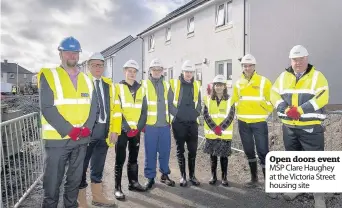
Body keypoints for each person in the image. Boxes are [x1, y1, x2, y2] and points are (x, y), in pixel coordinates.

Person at [38, 36, 98, 208]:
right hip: (57, 140)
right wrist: (69, 130)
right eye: (68, 52)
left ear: (79, 55)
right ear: (61, 54)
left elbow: (93, 107)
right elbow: (47, 107)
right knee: (52, 185)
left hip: (81, 140)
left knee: (73, 183)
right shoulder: (49, 76)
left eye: (75, 52)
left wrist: (87, 128)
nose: (72, 55)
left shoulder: (87, 79)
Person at [271, 45, 329, 208]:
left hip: (310, 127)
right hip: (289, 127)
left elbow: (323, 97)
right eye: (295, 59)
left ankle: (318, 196)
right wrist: (285, 108)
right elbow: (273, 93)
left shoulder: (317, 76)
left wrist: (301, 110)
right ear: (291, 60)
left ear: (307, 59)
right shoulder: (283, 76)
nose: (298, 62)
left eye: (301, 59)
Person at [78, 52, 121, 207]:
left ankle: (97, 197)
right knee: (81, 167)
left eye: (100, 65)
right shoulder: (81, 82)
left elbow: (116, 109)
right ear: (89, 66)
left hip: (104, 132)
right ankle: (81, 201)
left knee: (98, 166)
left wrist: (115, 130)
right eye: (95, 64)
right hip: (87, 133)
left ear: (104, 67)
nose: (98, 67)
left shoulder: (109, 85)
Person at [230, 54, 274, 188]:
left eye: (250, 66)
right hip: (243, 122)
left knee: (263, 151)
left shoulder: (264, 81)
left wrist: (264, 109)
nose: (247, 68)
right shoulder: (238, 82)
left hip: (259, 122)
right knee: (248, 150)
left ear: (254, 66)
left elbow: (271, 100)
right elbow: (234, 100)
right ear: (242, 67)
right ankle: (254, 178)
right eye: (245, 66)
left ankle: (269, 182)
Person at [114, 59, 147, 200]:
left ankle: (133, 182)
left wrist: (138, 128)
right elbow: (116, 110)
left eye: (134, 71)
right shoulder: (117, 88)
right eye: (129, 71)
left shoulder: (142, 89)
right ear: (124, 72)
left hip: (136, 132)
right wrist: (126, 127)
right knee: (120, 158)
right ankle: (117, 188)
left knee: (133, 158)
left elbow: (144, 111)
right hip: (122, 130)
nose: (132, 74)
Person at [141, 58, 175, 189]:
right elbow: (141, 106)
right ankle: (150, 177)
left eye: (159, 69)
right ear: (150, 71)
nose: (156, 72)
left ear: (162, 71)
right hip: (150, 126)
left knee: (165, 152)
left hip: (165, 125)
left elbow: (171, 105)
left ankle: (164, 175)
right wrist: (141, 124)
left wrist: (180, 116)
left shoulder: (167, 85)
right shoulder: (143, 85)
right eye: (154, 69)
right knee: (150, 152)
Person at [168, 60, 202, 187]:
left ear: (193, 73)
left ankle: (192, 176)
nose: (188, 74)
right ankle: (183, 176)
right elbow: (169, 103)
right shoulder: (174, 84)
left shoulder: (197, 85)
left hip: (192, 123)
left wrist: (196, 114)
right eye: (186, 72)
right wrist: (178, 115)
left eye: (191, 72)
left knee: (192, 150)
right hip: (179, 123)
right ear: (182, 72)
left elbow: (199, 103)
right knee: (180, 149)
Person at [202, 75, 235, 186]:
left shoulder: (230, 100)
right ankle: (213, 176)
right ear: (214, 86)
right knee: (213, 156)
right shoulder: (208, 99)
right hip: (212, 134)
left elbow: (230, 116)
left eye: (220, 85)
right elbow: (206, 115)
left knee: (224, 157)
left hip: (224, 134)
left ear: (224, 87)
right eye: (216, 85)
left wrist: (220, 128)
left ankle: (224, 177)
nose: (218, 87)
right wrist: (214, 128)